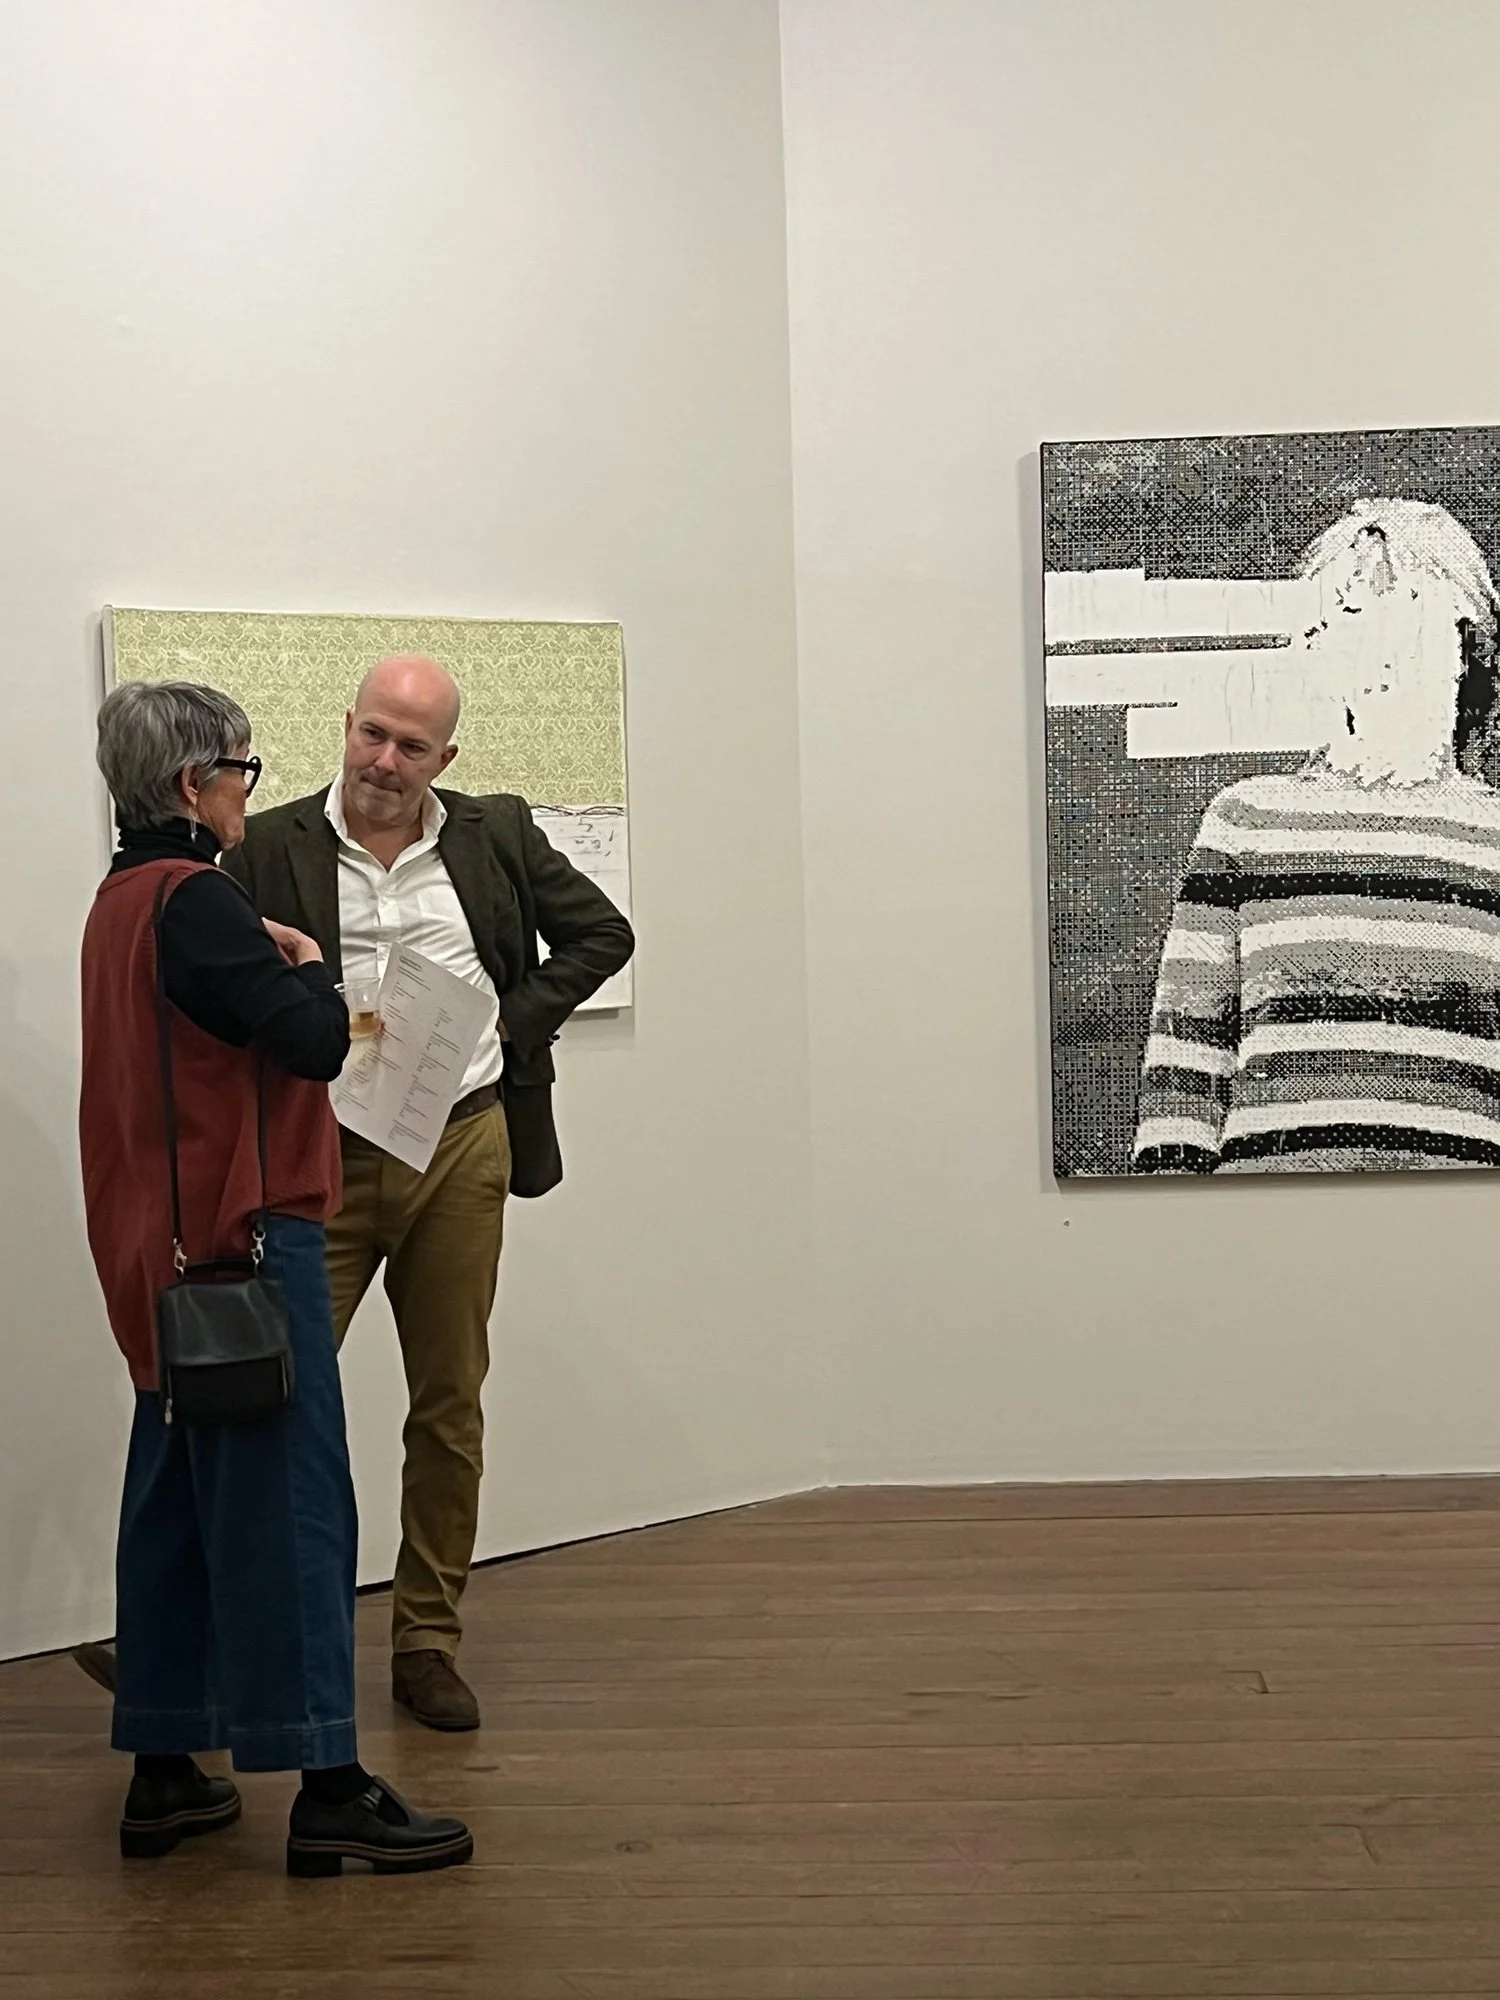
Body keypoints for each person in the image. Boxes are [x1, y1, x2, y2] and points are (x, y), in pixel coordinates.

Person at [80, 679, 471, 1875]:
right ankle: (329, 1778)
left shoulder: (120, 900)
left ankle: (163, 1763)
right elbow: (307, 1044)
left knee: (173, 1500)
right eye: (242, 769)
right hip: (244, 1243)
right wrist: (303, 962)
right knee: (297, 1508)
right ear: (197, 783)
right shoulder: (200, 903)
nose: (252, 788)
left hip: (158, 1250)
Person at [221, 653, 634, 1729]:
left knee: (448, 1403)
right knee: (275, 1403)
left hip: (461, 1148)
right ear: (344, 724)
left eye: (412, 745)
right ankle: (240, 1640)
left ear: (445, 757)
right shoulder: (267, 848)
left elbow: (603, 934)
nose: (386, 761)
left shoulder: (492, 834)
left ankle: (427, 1640)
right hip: (320, 1155)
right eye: (373, 734)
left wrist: (510, 1016)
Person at [1133, 497, 1500, 1174]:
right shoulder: (1247, 821)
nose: (1332, 637)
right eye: (1330, 617)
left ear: (1458, 640)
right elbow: (1184, 1065)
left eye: (1372, 611)